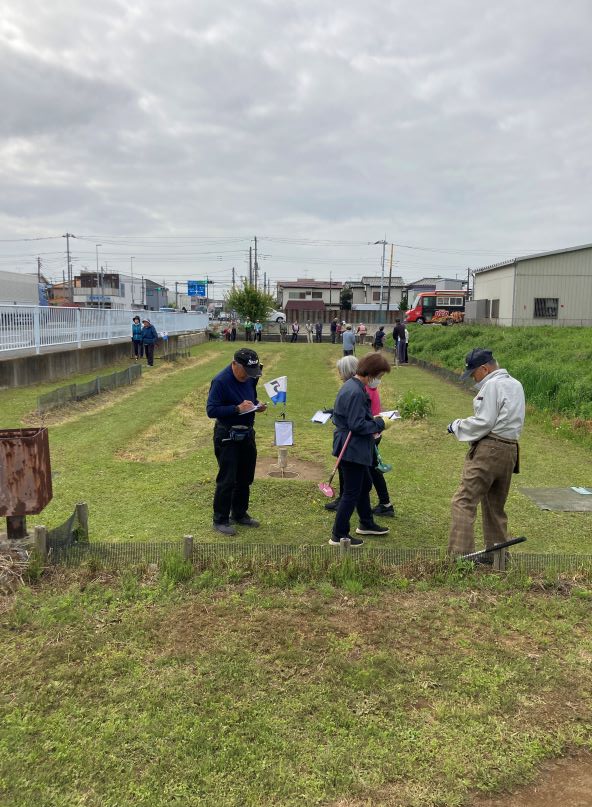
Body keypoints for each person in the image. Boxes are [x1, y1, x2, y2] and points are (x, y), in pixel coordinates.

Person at [447, 348, 525, 558]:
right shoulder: (516, 384)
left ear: (484, 368)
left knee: (463, 501)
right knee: (494, 508)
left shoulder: (491, 385)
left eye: (473, 373)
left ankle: (460, 558)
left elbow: (484, 422)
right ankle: (498, 559)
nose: (473, 378)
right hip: (510, 450)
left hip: (490, 449)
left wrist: (456, 426)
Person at [329, 353, 393, 547]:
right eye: (379, 376)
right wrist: (380, 423)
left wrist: (374, 420)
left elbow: (355, 418)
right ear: (371, 373)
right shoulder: (356, 391)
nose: (379, 380)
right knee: (351, 492)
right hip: (352, 448)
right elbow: (357, 425)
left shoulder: (352, 386)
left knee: (364, 484)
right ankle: (339, 534)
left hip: (352, 446)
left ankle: (366, 523)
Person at [206, 348, 267, 536]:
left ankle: (239, 514)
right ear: (234, 364)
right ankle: (220, 519)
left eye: (252, 372)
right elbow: (211, 410)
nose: (248, 376)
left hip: (247, 433)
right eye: (246, 372)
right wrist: (237, 409)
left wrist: (256, 405)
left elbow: (250, 396)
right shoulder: (220, 381)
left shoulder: (250, 376)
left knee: (245, 477)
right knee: (227, 479)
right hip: (227, 435)